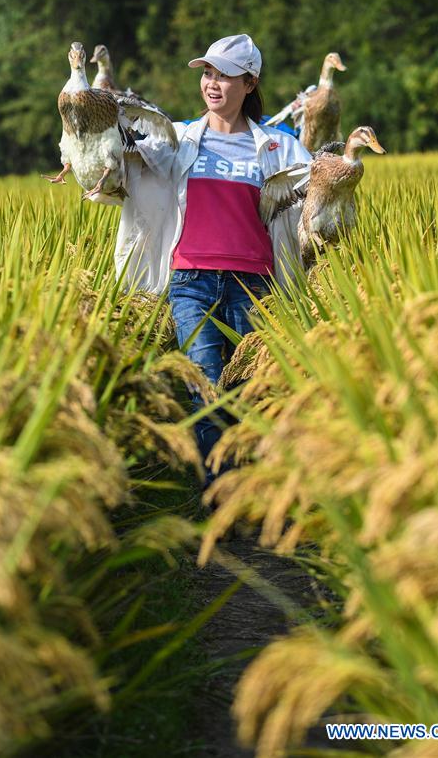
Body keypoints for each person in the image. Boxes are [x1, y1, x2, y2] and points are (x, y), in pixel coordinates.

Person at [111, 35, 312, 483]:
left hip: (253, 285)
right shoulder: (178, 140)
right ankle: (218, 497)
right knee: (205, 390)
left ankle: (250, 488)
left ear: (250, 82)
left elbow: (314, 200)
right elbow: (124, 163)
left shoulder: (278, 147)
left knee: (249, 393)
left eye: (224, 75)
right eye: (207, 73)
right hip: (191, 280)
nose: (213, 83)